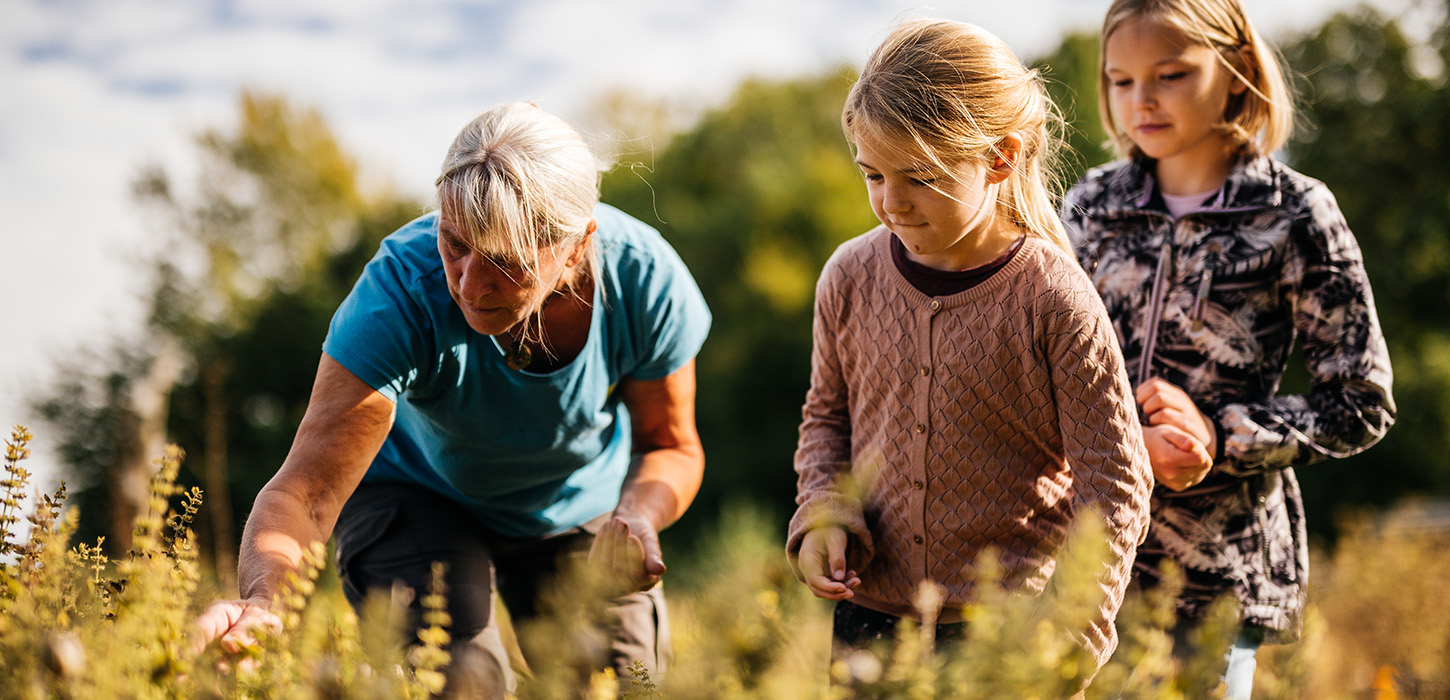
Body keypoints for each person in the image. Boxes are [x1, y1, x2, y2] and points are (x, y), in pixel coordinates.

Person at [194, 102, 711, 698]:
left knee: (623, 686)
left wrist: (639, 516)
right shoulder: (400, 293)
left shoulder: (644, 281)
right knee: (465, 683)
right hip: (416, 494)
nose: (468, 284)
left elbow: (670, 445)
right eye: (455, 243)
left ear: (574, 248)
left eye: (505, 262)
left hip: (576, 504)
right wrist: (267, 605)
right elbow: (305, 492)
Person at [786, 17, 1154, 686]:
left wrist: (1074, 632)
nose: (891, 203)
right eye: (873, 175)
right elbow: (827, 422)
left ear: (1000, 158)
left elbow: (1116, 484)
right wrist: (823, 514)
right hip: (867, 623)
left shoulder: (1052, 298)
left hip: (1009, 633)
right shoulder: (848, 276)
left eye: (920, 177)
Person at [1061, 0, 1396, 696]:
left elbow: (1360, 401)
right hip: (1076, 560)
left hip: (1213, 575)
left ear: (1238, 69)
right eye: (1120, 81)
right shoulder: (1088, 206)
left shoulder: (1297, 212)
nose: (1141, 100)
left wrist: (1222, 433)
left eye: (1171, 74)